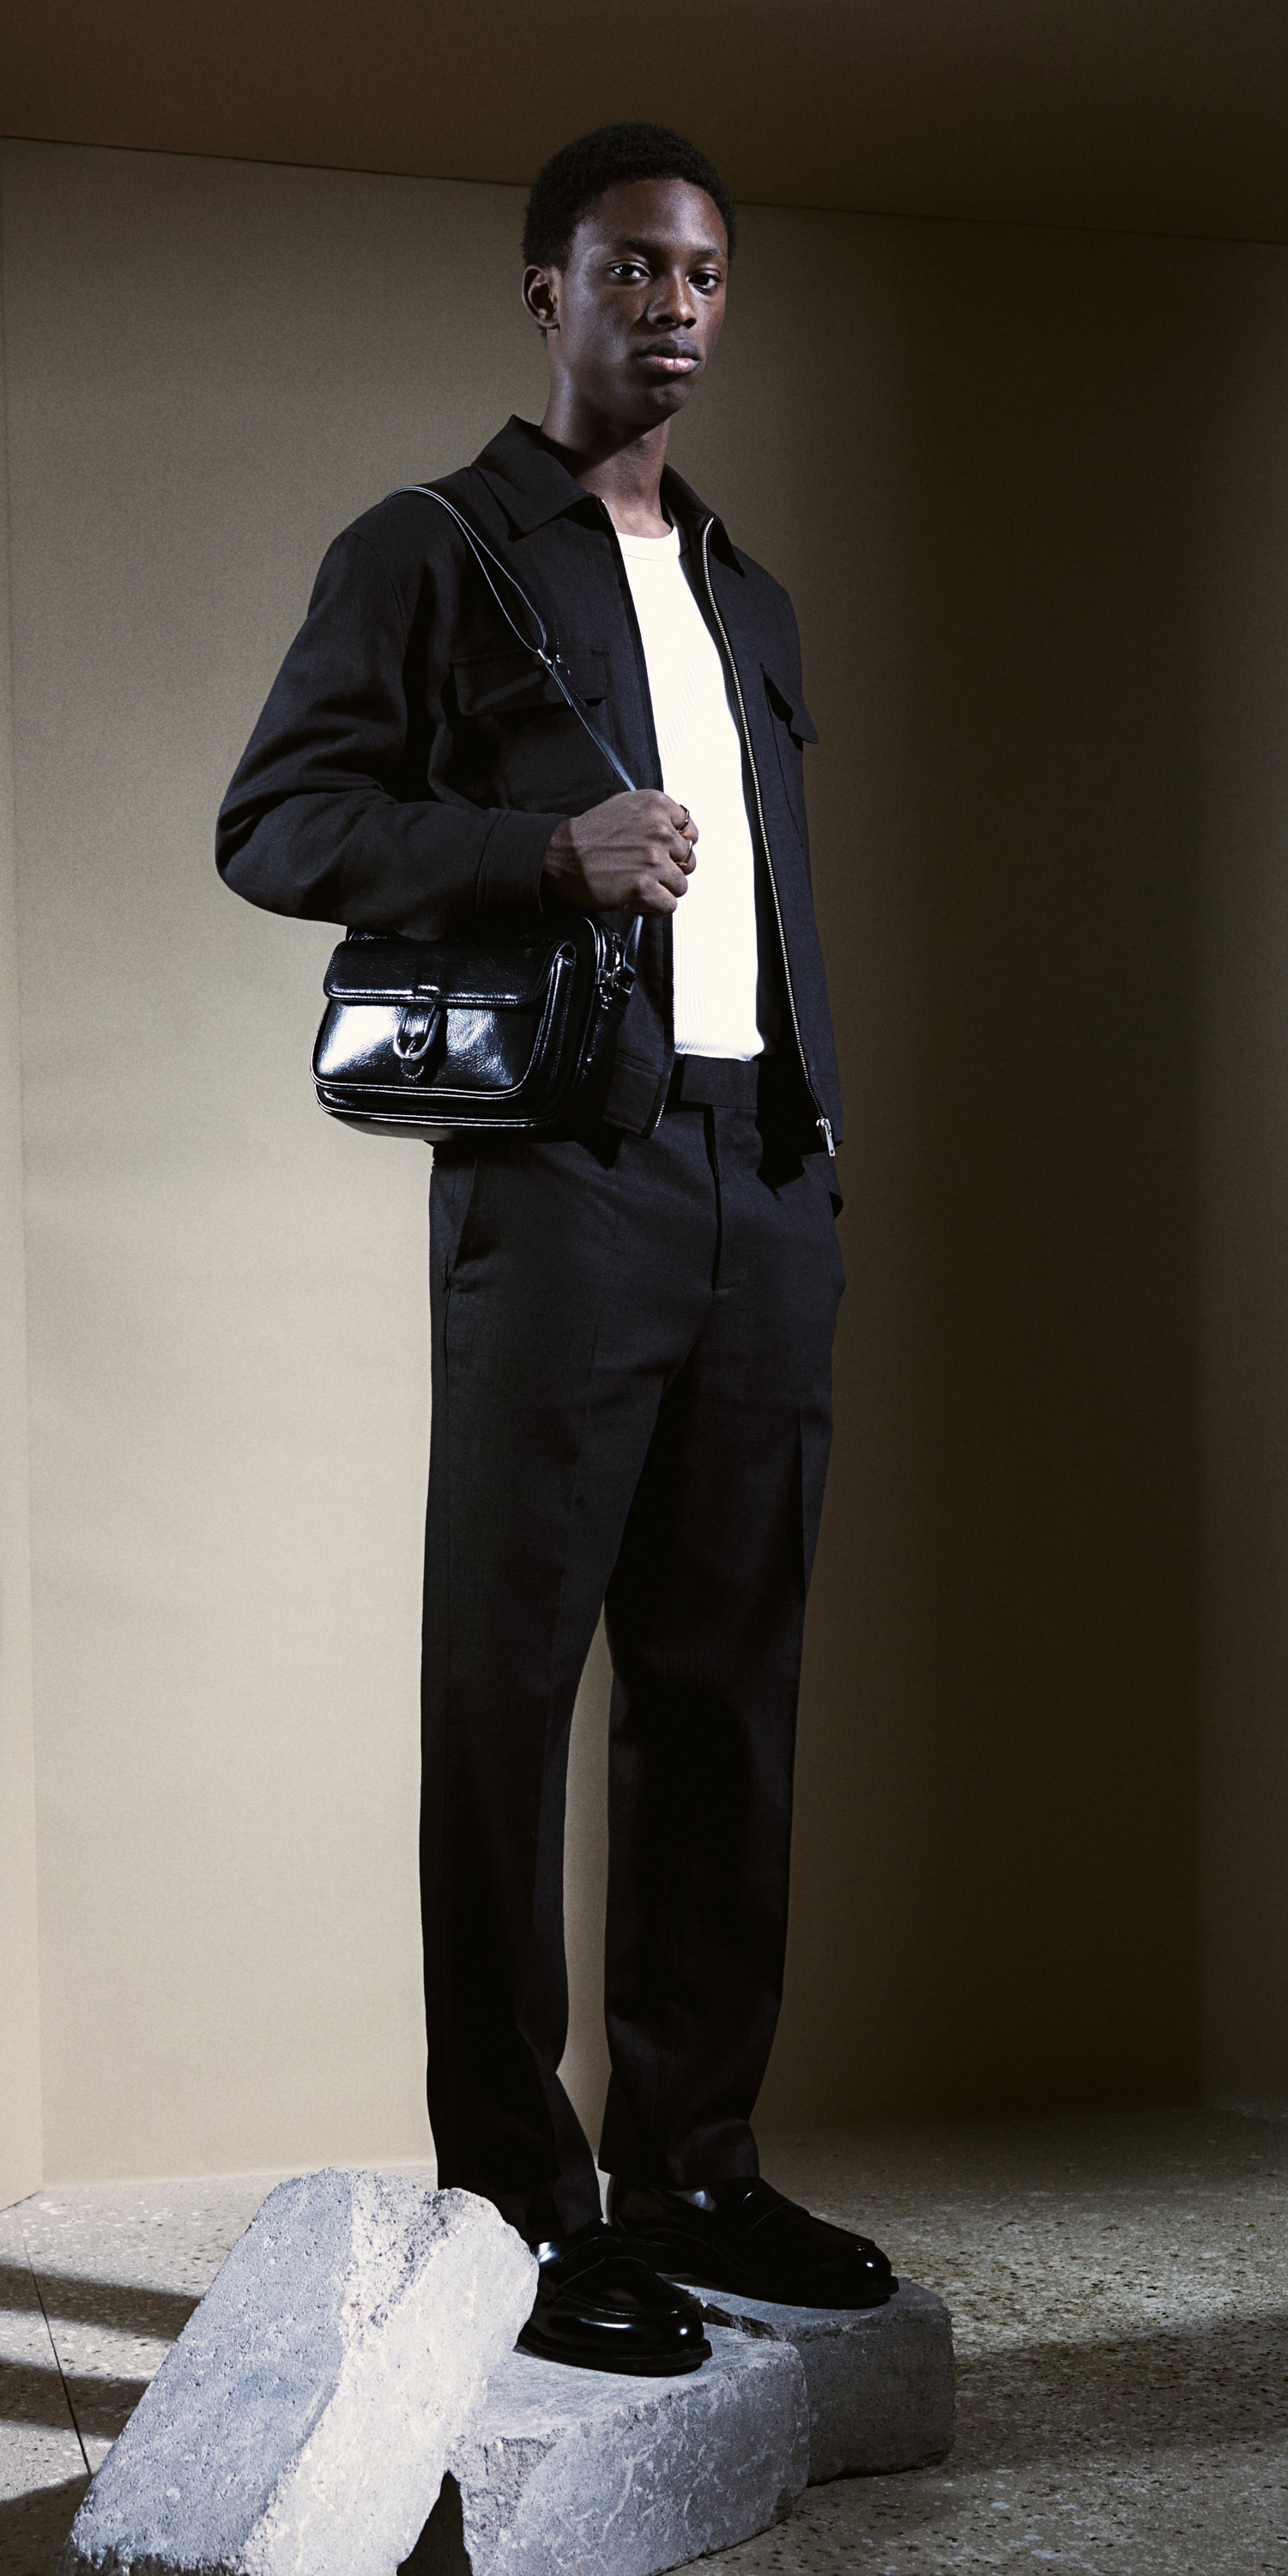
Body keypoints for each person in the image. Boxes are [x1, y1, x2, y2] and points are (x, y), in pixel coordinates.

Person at [217, 121, 892, 2375]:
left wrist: (806, 1146)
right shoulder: (430, 551)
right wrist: (541, 849)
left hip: (762, 1178)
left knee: (728, 1689)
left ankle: (694, 2161)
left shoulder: (748, 594)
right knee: (508, 1690)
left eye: (702, 274)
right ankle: (520, 2199)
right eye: (630, 268)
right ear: (549, 290)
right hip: (566, 1183)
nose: (671, 305)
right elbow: (276, 821)